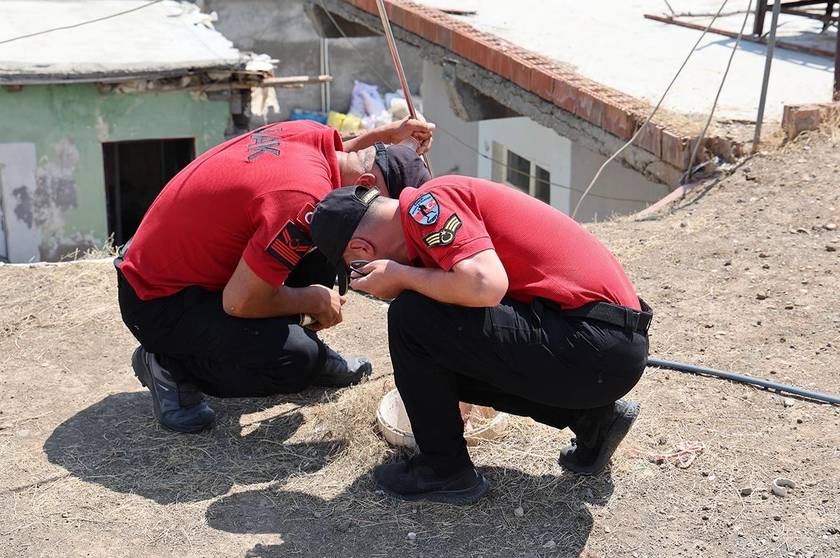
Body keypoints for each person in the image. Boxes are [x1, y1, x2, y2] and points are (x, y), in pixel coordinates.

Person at [309, 177, 651, 505]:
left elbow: (485, 285)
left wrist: (401, 276)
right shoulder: (432, 211)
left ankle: (442, 468)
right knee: (432, 328)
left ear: (361, 249)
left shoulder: (428, 205)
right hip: (605, 345)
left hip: (596, 343)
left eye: (356, 267)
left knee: (409, 316)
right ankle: (594, 420)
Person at [116, 118, 434, 434]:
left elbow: (351, 154)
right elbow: (240, 302)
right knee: (296, 360)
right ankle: (170, 365)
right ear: (366, 185)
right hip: (158, 299)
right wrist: (313, 298)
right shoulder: (301, 200)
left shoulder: (311, 137)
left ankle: (306, 342)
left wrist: (389, 135)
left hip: (184, 266)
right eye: (388, 218)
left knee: (333, 235)